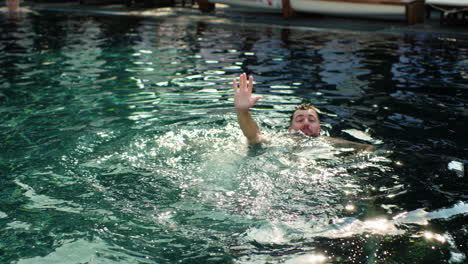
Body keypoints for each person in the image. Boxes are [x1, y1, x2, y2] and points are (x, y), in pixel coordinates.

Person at [233, 73, 374, 151]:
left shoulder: (329, 142)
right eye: (300, 120)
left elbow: (368, 148)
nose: (306, 123)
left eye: (311, 120)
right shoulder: (281, 139)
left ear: (319, 129)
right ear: (290, 129)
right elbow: (254, 136)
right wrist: (243, 111)